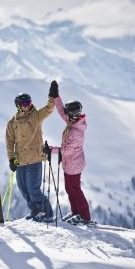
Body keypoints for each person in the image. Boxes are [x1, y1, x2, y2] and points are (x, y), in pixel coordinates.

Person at [5, 83, 56, 222]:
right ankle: (34, 211)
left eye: (29, 102)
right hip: (20, 160)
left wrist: (52, 97)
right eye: (24, 103)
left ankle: (47, 213)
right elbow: (10, 143)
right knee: (24, 189)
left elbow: (49, 109)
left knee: (34, 189)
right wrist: (12, 159)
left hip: (34, 159)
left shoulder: (36, 116)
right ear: (18, 105)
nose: (27, 105)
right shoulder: (12, 123)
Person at [47, 80, 93, 225]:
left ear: (73, 114)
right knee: (69, 189)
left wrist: (51, 150)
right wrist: (56, 97)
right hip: (69, 165)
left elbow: (66, 151)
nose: (65, 114)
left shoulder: (76, 132)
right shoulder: (73, 121)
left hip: (73, 165)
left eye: (68, 112)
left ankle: (84, 216)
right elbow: (62, 112)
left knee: (75, 190)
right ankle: (76, 213)